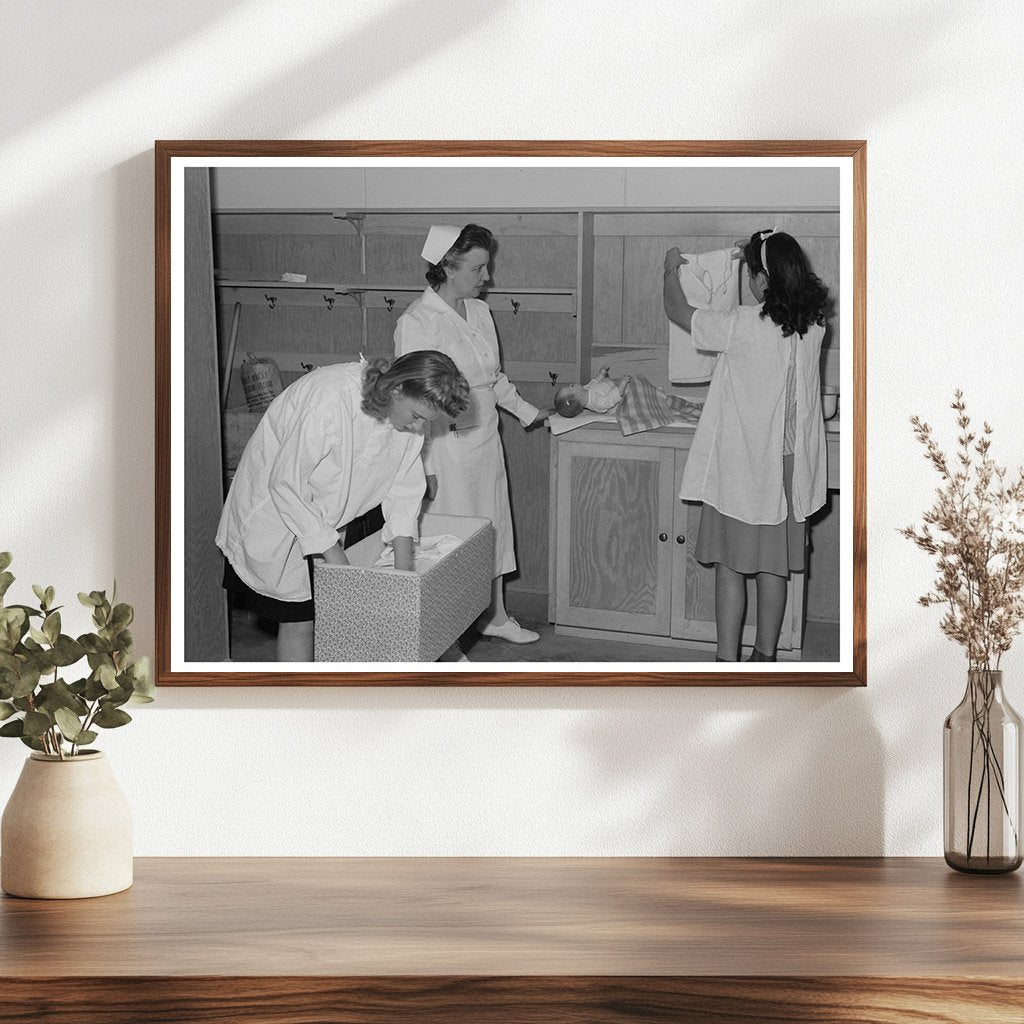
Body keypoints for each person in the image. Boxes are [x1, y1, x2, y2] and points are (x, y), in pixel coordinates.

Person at [216, 351, 470, 662]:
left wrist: (405, 576)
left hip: (323, 510)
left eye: (426, 421)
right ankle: (292, 706)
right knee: (299, 618)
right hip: (276, 507)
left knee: (325, 614)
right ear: (396, 388)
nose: (419, 428)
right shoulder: (330, 399)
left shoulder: (409, 414)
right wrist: (336, 557)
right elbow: (285, 484)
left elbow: (404, 490)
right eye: (416, 416)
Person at [664, 229, 830, 662]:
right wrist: (751, 254)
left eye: (754, 275)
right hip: (792, 468)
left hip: (746, 466)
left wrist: (669, 269)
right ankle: (766, 657)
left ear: (760, 281)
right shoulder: (814, 325)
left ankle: (725, 661)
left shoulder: (743, 325)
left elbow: (680, 311)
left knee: (730, 567)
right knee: (774, 568)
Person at [395, 224, 550, 645]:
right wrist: (422, 466)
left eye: (487, 267)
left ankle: (495, 615)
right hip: (444, 447)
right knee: (452, 539)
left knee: (492, 525)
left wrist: (532, 414)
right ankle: (447, 630)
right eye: (478, 268)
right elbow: (414, 399)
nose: (487, 277)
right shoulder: (418, 321)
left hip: (486, 440)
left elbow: (493, 379)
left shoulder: (480, 312)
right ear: (447, 265)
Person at [553, 366, 631, 418]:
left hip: (613, 385)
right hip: (621, 397)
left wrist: (601, 374)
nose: (570, 384)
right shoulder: (596, 402)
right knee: (630, 395)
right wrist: (622, 385)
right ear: (577, 394)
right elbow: (612, 398)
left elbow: (594, 382)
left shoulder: (585, 390)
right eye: (571, 387)